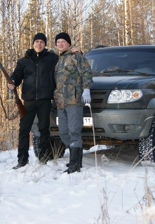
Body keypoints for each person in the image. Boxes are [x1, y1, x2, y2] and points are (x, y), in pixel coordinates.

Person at [8, 33, 59, 169]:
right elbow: (17, 76)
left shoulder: (52, 58)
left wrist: (75, 51)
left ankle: (44, 159)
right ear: (32, 44)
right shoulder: (24, 61)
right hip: (29, 101)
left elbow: (65, 61)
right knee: (24, 130)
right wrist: (12, 82)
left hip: (45, 99)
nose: (39, 44)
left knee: (44, 129)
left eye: (42, 42)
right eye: (36, 41)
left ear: (45, 44)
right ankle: (22, 161)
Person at [54, 32, 93, 174]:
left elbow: (86, 72)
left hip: (74, 100)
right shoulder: (58, 61)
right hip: (61, 102)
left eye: (63, 41)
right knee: (64, 132)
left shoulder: (77, 57)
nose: (60, 44)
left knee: (74, 131)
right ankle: (76, 159)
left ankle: (75, 163)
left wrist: (86, 89)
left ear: (69, 44)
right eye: (58, 42)